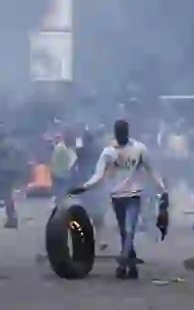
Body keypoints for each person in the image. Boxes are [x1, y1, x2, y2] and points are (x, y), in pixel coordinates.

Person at [69, 119, 167, 280]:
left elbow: (152, 171)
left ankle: (122, 265)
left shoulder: (139, 149)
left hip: (134, 195)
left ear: (127, 132)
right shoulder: (108, 152)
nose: (121, 135)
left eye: (123, 132)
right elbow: (98, 175)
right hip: (117, 196)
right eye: (119, 133)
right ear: (115, 133)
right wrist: (85, 187)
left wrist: (163, 189)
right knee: (124, 231)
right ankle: (132, 267)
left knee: (129, 229)